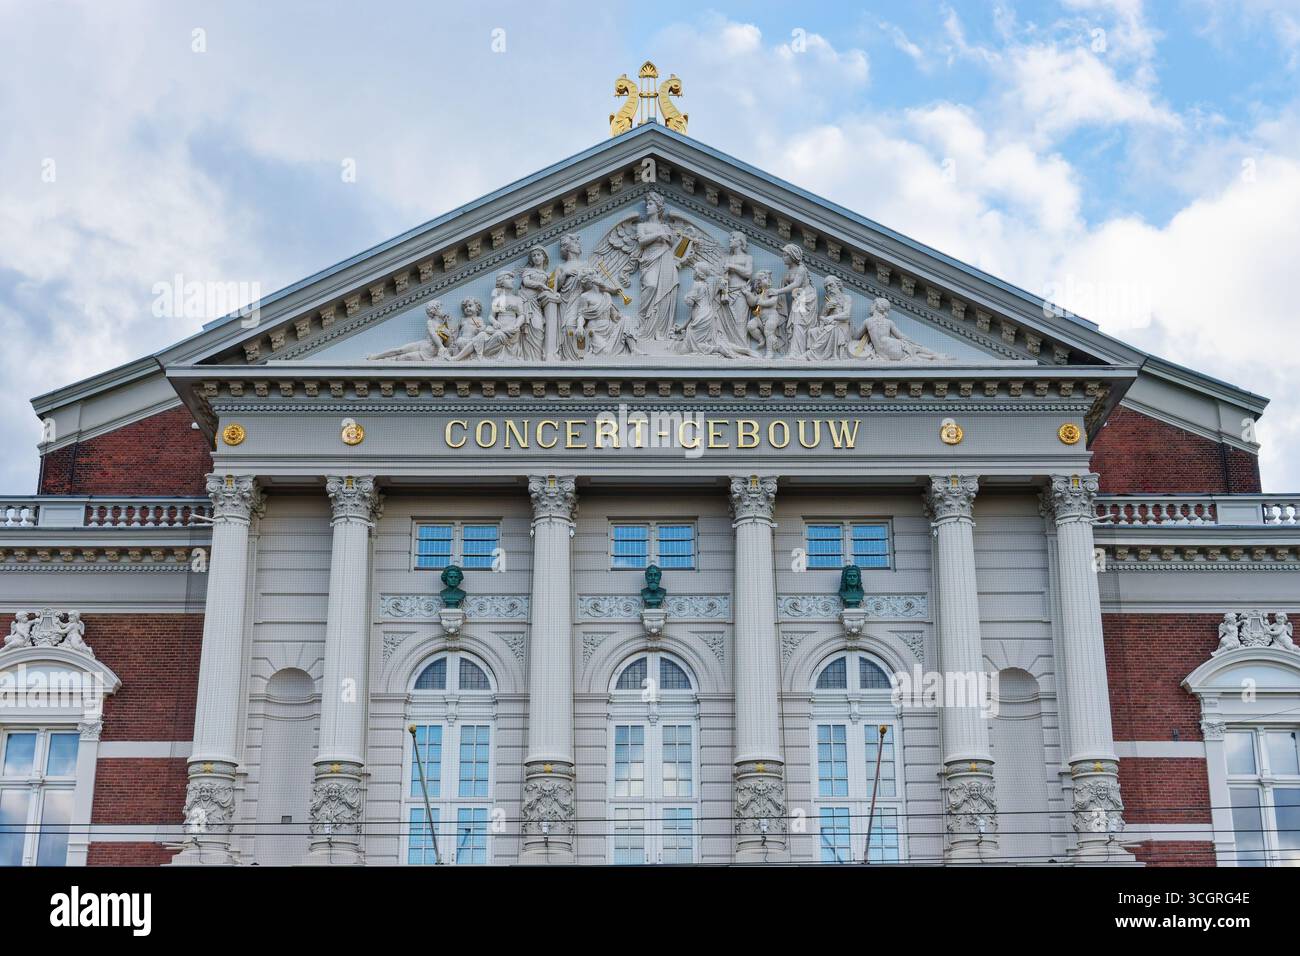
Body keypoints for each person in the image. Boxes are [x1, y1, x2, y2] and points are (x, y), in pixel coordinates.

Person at [636, 191, 681, 339]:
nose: (647, 207)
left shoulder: (666, 227)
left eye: (650, 204)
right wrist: (658, 235)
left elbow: (675, 245)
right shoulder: (642, 226)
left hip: (665, 259)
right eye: (647, 204)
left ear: (658, 207)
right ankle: (643, 322)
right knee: (651, 285)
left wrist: (679, 238)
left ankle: (660, 330)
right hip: (649, 259)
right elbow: (642, 241)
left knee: (665, 292)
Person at [806, 276, 852, 360]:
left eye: (831, 285)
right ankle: (813, 355)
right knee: (811, 332)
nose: (829, 289)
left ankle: (811, 354)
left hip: (841, 327)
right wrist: (826, 309)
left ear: (838, 285)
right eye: (826, 287)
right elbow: (821, 317)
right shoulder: (827, 301)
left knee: (831, 330)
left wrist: (832, 317)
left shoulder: (846, 298)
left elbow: (847, 315)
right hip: (829, 326)